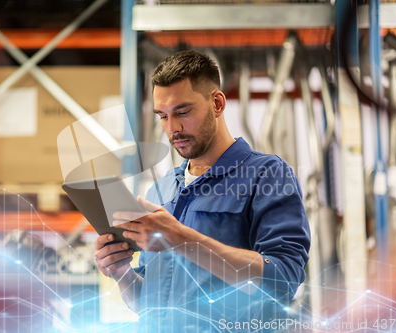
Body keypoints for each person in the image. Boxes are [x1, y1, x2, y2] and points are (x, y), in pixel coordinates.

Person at [94, 50, 310, 332]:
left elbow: (282, 280)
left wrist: (181, 239)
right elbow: (149, 305)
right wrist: (121, 274)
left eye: (183, 112)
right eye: (163, 116)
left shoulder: (266, 175)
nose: (173, 129)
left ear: (217, 103)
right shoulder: (161, 190)